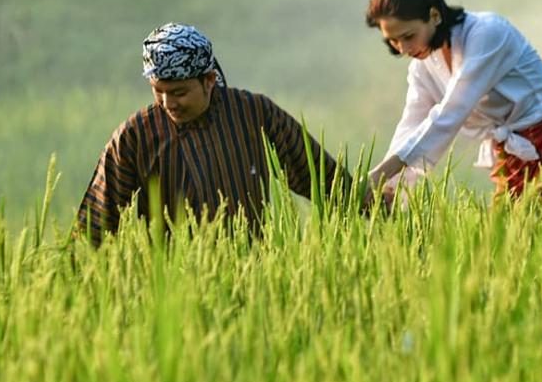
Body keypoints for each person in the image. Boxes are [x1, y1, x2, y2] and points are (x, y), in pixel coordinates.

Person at [75, 23, 343, 245]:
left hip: (253, 278)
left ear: (209, 81)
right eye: (158, 91)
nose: (168, 103)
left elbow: (323, 178)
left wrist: (375, 203)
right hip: (170, 290)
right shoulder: (134, 137)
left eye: (179, 92)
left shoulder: (254, 114)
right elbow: (94, 225)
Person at [364, 0, 542, 206]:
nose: (403, 48)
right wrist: (391, 188)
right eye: (393, 41)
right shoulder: (422, 67)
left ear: (434, 15)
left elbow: (453, 110)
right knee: (516, 240)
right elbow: (411, 124)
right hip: (512, 156)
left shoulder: (487, 33)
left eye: (408, 36)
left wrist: (383, 172)